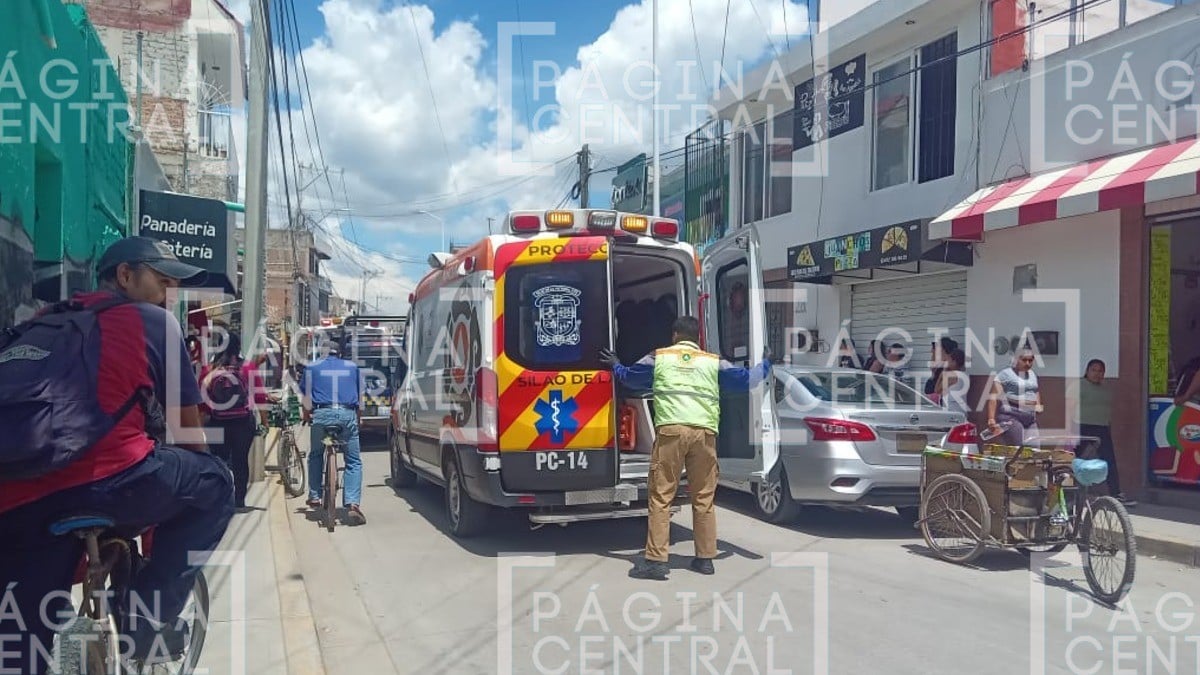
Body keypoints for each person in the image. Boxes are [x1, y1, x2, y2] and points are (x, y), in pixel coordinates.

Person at [0, 236, 234, 671]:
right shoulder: (154, 322)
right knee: (215, 482)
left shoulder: (40, 320)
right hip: (111, 479)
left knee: (19, 648)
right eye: (161, 283)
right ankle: (140, 631)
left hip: (15, 495)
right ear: (126, 276)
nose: (167, 297)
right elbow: (188, 437)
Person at [599, 316, 771, 580]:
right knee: (703, 498)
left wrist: (615, 365)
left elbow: (631, 380)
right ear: (698, 338)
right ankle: (705, 559)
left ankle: (656, 561)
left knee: (661, 497)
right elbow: (747, 380)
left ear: (675, 335)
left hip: (672, 432)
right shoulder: (712, 362)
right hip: (704, 434)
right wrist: (767, 363)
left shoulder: (660, 357)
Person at [301, 341, 366, 525]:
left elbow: (306, 398)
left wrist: (307, 414)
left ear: (322, 353)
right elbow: (360, 399)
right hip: (347, 416)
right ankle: (353, 504)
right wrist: (358, 418)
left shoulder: (311, 368)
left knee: (315, 454)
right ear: (340, 353)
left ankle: (314, 495)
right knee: (353, 460)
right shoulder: (353, 367)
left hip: (321, 416)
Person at [201, 332, 261, 510]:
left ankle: (220, 497)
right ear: (238, 347)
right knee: (240, 460)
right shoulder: (247, 367)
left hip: (217, 421)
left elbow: (201, 397)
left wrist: (205, 415)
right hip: (243, 423)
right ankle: (240, 500)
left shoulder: (209, 369)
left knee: (219, 460)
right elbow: (259, 394)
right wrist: (264, 421)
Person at [1068, 359, 1136, 507]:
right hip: (1082, 427)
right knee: (1079, 461)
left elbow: (1106, 411)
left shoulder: (1105, 388)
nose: (1097, 374)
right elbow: (1070, 408)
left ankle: (1116, 494)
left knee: (1109, 461)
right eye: (1094, 370)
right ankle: (1072, 494)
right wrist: (1070, 429)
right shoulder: (1078, 385)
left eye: (1100, 371)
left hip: (1102, 429)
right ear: (1087, 371)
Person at [987, 348, 1043, 447]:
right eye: (1024, 360)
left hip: (1030, 418)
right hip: (1011, 415)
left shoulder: (1032, 374)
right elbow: (993, 396)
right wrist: (991, 418)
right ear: (1017, 359)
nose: (1027, 363)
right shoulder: (1005, 374)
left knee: (1034, 448)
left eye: (1030, 360)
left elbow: (1036, 390)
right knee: (1018, 448)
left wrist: (1038, 404)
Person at [936, 348, 970, 415]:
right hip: (960, 411)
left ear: (954, 361)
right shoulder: (965, 374)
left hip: (952, 412)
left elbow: (937, 389)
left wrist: (942, 374)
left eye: (948, 360)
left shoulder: (951, 375)